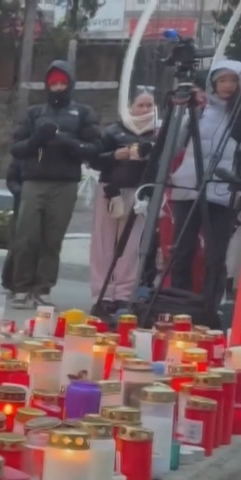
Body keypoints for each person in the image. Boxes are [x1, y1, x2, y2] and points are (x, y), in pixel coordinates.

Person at [7, 60, 101, 308]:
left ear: (69, 84)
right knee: (26, 237)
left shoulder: (82, 113)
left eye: (62, 83)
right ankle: (21, 287)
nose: (58, 87)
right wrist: (37, 139)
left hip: (65, 183)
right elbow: (16, 148)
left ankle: (43, 288)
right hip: (34, 181)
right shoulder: (34, 113)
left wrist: (65, 142)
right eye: (53, 83)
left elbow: (95, 149)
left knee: (53, 239)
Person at [169, 61, 241, 312]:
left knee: (215, 255)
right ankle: (179, 303)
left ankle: (209, 307)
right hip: (188, 187)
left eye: (233, 80)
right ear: (213, 83)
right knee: (182, 251)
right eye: (222, 80)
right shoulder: (200, 111)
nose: (227, 86)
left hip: (224, 191)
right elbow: (174, 143)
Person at [89, 91, 155, 315]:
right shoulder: (113, 131)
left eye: (149, 105)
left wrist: (150, 153)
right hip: (110, 190)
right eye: (141, 105)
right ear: (130, 107)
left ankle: (124, 295)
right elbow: (95, 160)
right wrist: (114, 156)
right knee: (103, 244)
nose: (146, 110)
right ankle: (102, 294)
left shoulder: (159, 132)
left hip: (139, 193)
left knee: (131, 246)